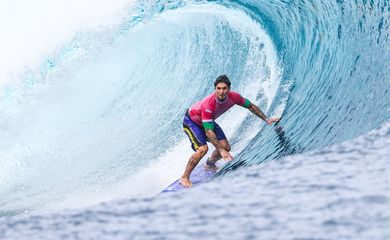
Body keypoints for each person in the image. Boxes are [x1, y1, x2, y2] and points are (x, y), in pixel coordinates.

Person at [180, 75, 280, 187]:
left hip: (207, 122)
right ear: (215, 89)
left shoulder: (234, 97)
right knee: (203, 149)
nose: (221, 91)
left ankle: (209, 164)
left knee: (226, 146)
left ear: (229, 89)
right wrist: (221, 151)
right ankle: (184, 178)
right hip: (191, 122)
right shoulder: (208, 105)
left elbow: (251, 106)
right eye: (218, 88)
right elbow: (209, 132)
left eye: (224, 88)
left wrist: (266, 119)